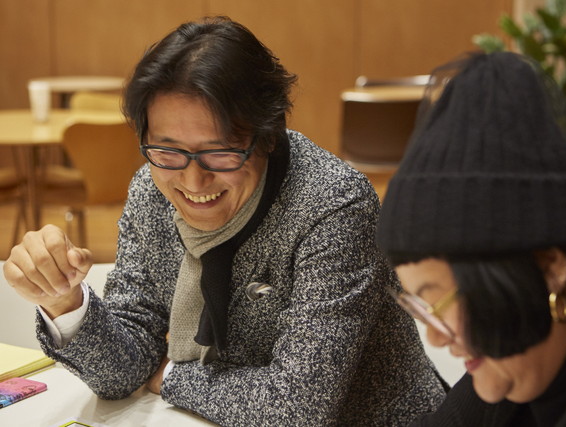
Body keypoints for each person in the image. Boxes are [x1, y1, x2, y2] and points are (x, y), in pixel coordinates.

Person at [2, 16, 447, 426]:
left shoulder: (332, 204)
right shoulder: (152, 190)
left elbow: (297, 408)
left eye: (219, 152)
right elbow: (124, 371)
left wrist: (170, 375)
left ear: (267, 137)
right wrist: (65, 302)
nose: (192, 180)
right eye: (167, 149)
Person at [376, 51, 566, 425]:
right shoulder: (518, 353)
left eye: (439, 304)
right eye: (421, 309)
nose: (435, 339)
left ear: (549, 268)